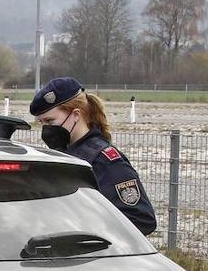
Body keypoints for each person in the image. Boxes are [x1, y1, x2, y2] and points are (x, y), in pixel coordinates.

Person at [31, 77, 157, 235]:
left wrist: (85, 232)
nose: (46, 129)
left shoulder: (104, 161)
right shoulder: (62, 155)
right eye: (42, 123)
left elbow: (141, 219)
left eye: (50, 121)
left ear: (76, 115)